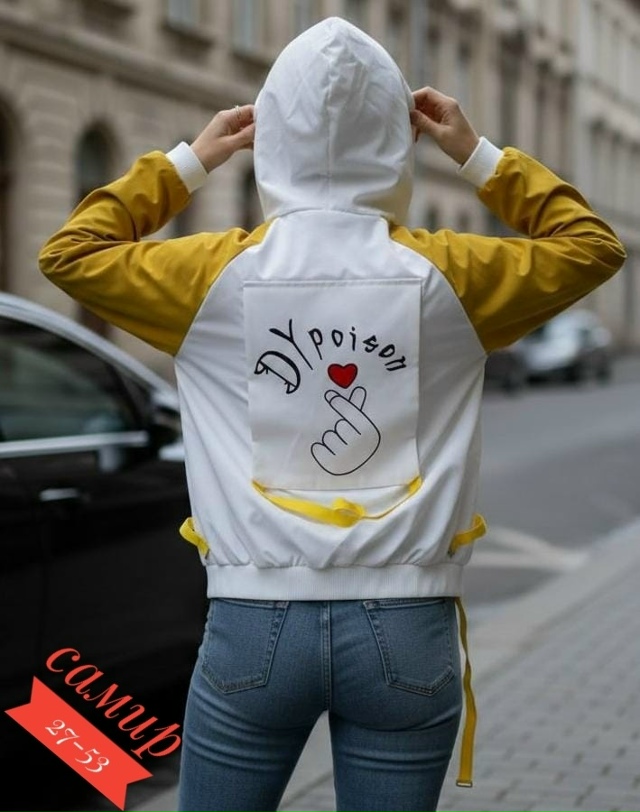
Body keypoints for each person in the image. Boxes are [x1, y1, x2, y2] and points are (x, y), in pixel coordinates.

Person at [39, 16, 625, 812]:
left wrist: (193, 158)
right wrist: (474, 152)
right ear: (398, 140)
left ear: (271, 137)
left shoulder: (212, 274)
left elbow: (69, 252)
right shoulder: (448, 273)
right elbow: (590, 245)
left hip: (254, 620)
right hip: (408, 624)